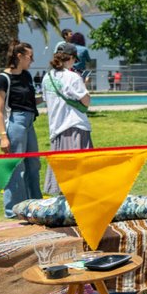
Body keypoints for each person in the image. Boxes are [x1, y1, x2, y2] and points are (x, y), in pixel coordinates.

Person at [0, 41, 41, 216]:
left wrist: (47, 97)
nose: (32, 60)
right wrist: (3, 136)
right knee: (16, 167)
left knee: (33, 164)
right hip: (15, 122)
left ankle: (36, 205)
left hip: (29, 122)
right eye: (30, 56)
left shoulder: (26, 76)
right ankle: (13, 209)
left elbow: (29, 101)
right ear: (19, 56)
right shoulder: (3, 79)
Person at [40, 40, 92, 194]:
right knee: (78, 175)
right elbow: (86, 101)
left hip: (56, 129)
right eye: (75, 59)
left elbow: (46, 99)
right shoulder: (73, 77)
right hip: (75, 126)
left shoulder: (47, 77)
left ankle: (63, 204)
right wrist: (84, 84)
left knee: (62, 177)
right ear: (70, 58)